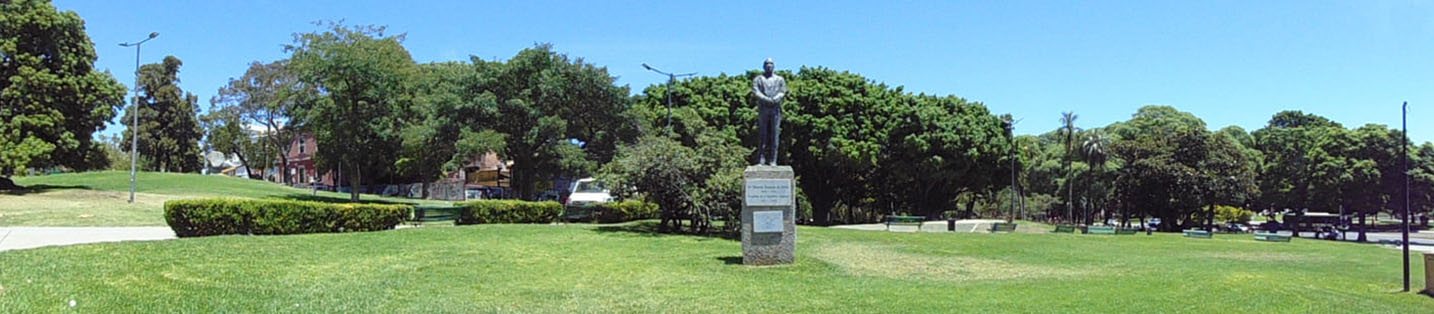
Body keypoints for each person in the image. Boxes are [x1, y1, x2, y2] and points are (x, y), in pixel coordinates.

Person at [752, 58, 787, 166]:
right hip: (763, 109)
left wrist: (775, 99)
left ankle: (773, 160)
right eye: (767, 64)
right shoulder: (758, 79)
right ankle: (761, 160)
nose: (769, 66)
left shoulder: (780, 79)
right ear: (764, 66)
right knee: (763, 135)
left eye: (771, 64)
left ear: (774, 66)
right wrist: (766, 99)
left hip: (775, 109)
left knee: (775, 135)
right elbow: (756, 91)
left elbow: (782, 91)